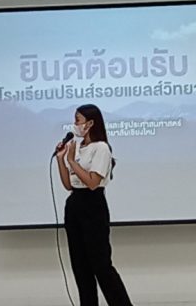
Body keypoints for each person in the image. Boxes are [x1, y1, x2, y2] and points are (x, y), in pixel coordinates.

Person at [56, 104, 133, 306]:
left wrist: (72, 162)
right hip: (74, 205)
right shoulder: (77, 147)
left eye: (78, 120)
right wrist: (61, 160)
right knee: (80, 266)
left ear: (90, 123)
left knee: (101, 265)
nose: (75, 124)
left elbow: (92, 182)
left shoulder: (101, 148)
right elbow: (68, 185)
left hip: (93, 205)